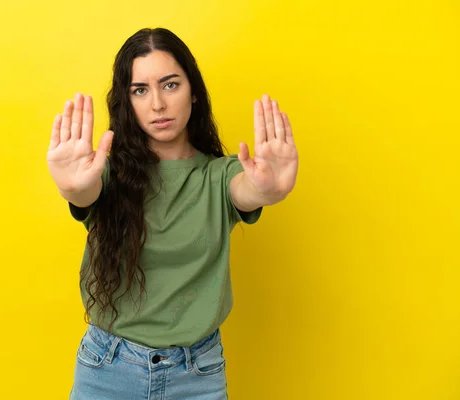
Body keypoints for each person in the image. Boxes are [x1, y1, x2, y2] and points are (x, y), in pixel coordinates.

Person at [47, 27, 298, 400]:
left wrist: (268, 189)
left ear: (193, 92)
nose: (158, 105)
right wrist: (71, 187)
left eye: (170, 85)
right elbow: (85, 191)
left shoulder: (219, 176)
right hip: (107, 368)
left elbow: (246, 190)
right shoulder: (107, 172)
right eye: (140, 90)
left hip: (197, 373)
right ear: (126, 102)